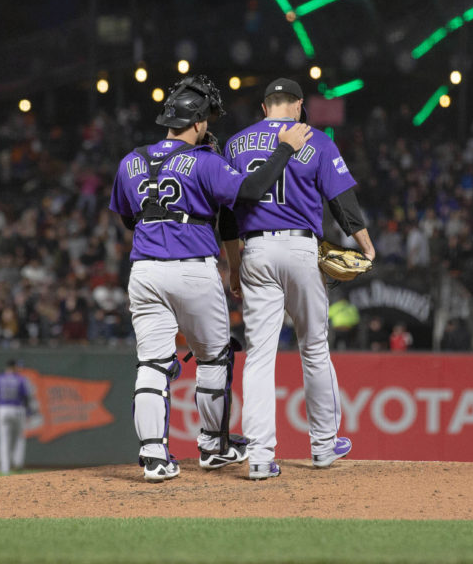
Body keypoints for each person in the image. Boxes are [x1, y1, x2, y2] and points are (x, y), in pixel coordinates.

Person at [109, 74, 311, 483]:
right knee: (213, 356)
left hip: (145, 270)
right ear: (198, 123)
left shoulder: (130, 160)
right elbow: (251, 190)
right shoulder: (204, 161)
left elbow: (128, 217)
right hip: (193, 268)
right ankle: (213, 446)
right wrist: (285, 150)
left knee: (151, 362)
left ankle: (153, 457)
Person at [223, 77, 375, 480]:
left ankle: (258, 456)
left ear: (264, 107)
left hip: (254, 249)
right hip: (299, 248)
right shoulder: (317, 140)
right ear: (297, 106)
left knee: (259, 356)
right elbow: (342, 201)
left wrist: (234, 265)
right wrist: (365, 243)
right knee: (314, 347)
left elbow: (228, 211)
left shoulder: (235, 144)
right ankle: (324, 446)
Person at [0, 359, 31, 475]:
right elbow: (25, 397)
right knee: (19, 439)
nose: (19, 369)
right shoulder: (20, 379)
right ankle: (18, 463)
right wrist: (28, 413)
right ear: (14, 367)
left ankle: (4, 469)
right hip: (17, 410)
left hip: (2, 410)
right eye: (18, 367)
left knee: (4, 440)